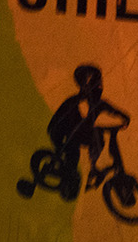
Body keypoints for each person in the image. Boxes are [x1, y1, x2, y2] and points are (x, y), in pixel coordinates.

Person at [45, 64, 128, 198]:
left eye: (99, 84)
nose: (99, 87)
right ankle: (69, 181)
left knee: (97, 139)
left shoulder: (96, 103)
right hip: (61, 132)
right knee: (74, 152)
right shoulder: (78, 101)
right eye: (96, 85)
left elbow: (111, 110)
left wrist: (124, 117)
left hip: (74, 134)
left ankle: (92, 168)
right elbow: (71, 121)